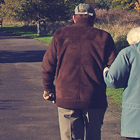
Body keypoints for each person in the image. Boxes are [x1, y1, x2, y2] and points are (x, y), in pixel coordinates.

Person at [41, 3, 118, 140]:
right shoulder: (104, 37)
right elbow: (114, 68)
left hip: (66, 97)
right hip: (94, 97)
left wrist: (49, 89)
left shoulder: (60, 34)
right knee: (94, 136)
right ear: (94, 19)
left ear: (74, 18)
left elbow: (48, 65)